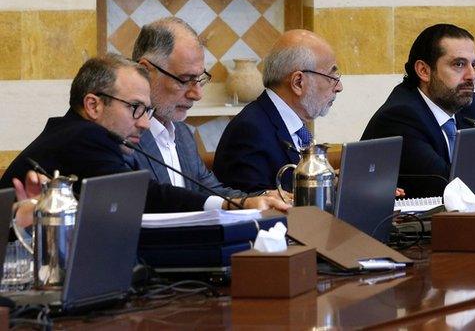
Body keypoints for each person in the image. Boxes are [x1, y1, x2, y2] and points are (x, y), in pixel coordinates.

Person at [0, 55, 288, 213]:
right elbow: (143, 195)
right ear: (93, 105)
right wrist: (232, 204)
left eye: (147, 111)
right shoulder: (84, 137)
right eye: (135, 108)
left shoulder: (75, 133)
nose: (145, 123)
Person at [361, 24, 475, 197]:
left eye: (474, 65)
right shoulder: (400, 117)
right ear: (424, 71)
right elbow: (448, 185)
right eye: (459, 64)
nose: (471, 75)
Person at [130, 18, 250, 198]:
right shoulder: (124, 136)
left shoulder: (183, 133)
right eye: (185, 80)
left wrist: (264, 199)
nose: (197, 94)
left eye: (199, 79)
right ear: (146, 71)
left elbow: (212, 193)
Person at [213, 29, 343, 192]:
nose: (339, 87)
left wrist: (332, 183)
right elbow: (255, 204)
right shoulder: (250, 131)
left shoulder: (295, 127)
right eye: (331, 78)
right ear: (298, 82)